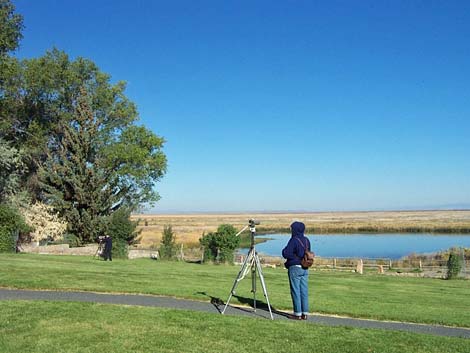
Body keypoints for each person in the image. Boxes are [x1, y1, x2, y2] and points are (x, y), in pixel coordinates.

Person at [282, 221, 311, 320]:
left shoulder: (294, 240)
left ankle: (297, 314)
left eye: (292, 228)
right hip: (305, 268)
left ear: (295, 229)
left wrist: (288, 253)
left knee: (295, 291)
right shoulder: (306, 240)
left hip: (295, 268)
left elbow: (286, 253)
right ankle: (305, 313)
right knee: (304, 291)